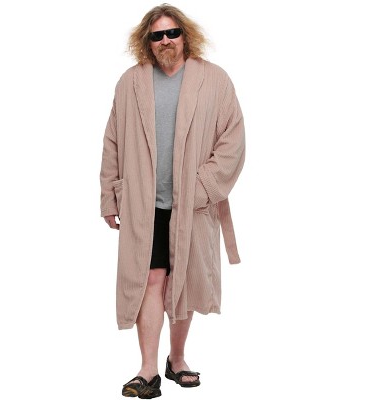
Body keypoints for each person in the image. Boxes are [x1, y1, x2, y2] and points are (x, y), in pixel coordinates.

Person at [100, 3, 245, 398]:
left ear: (185, 36)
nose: (165, 40)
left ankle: (176, 359)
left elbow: (233, 141)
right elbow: (112, 141)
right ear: (147, 42)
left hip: (192, 205)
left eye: (172, 32)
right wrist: (109, 196)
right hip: (143, 205)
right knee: (150, 279)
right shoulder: (130, 83)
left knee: (183, 282)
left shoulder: (214, 80)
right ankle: (148, 371)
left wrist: (201, 187)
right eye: (157, 35)